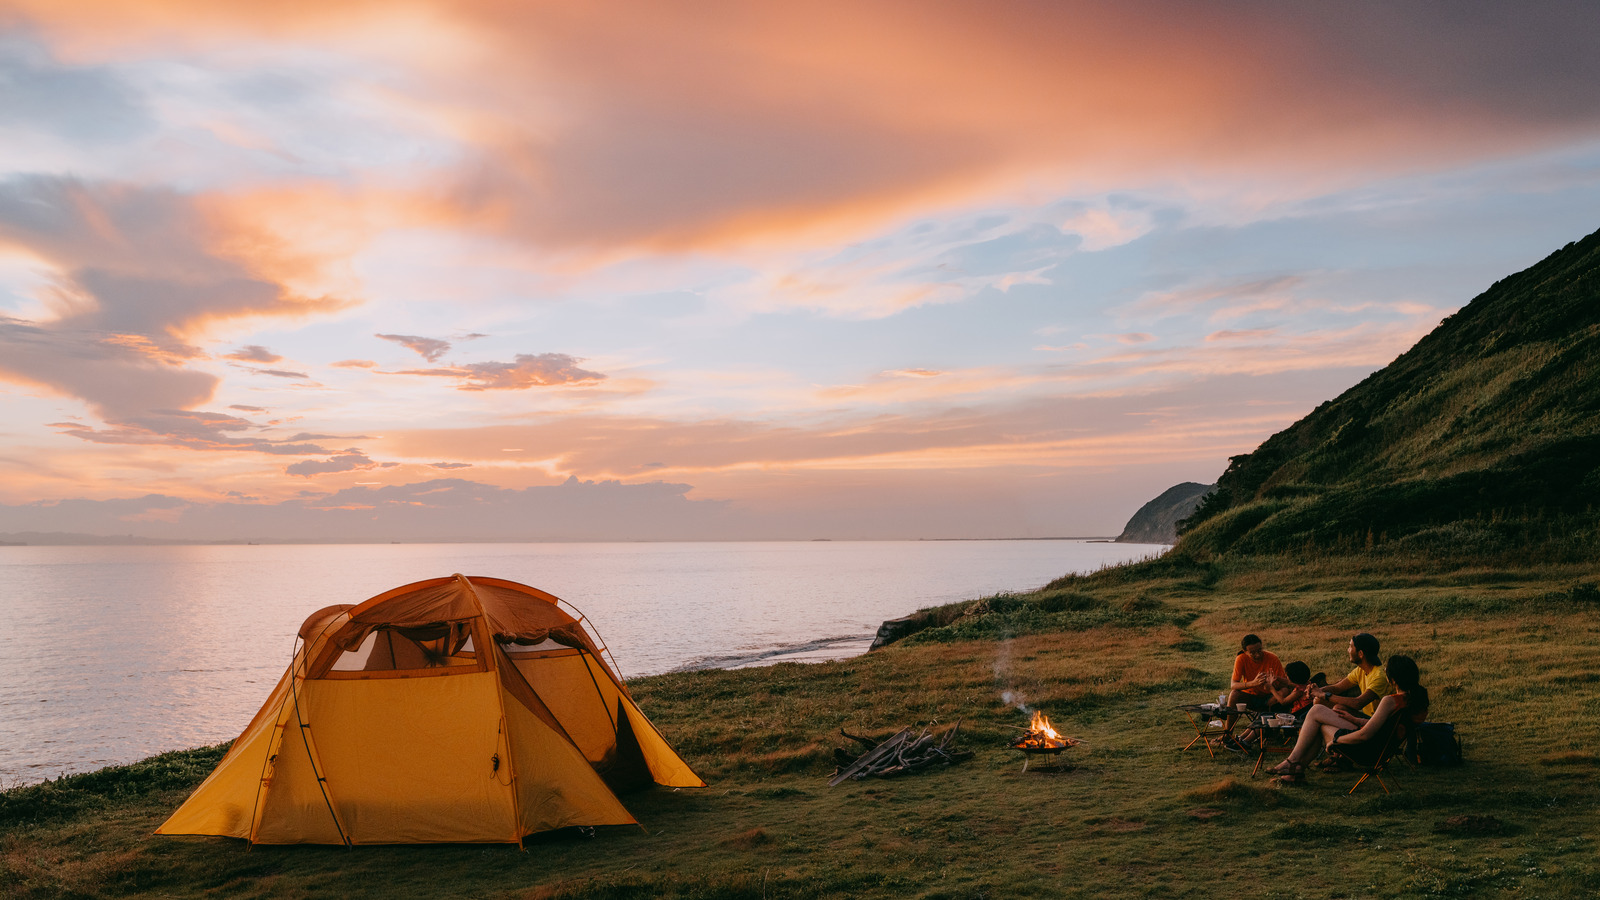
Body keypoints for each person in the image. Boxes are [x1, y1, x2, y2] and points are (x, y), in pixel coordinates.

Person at [1266, 654, 1427, 783]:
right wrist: (1354, 719)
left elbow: (1365, 735)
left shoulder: (1390, 701)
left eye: (1387, 670)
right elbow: (1384, 727)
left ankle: (1293, 763)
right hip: (1382, 749)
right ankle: (1295, 769)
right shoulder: (1416, 700)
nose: (1385, 670)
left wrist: (1335, 742)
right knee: (1320, 713)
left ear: (1393, 679)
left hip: (1367, 751)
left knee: (1317, 715)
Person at [1315, 632, 1389, 717]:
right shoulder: (1360, 670)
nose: (1348, 650)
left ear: (1360, 654)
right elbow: (1337, 688)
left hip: (1375, 721)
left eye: (1350, 646)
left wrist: (1324, 695)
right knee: (1319, 701)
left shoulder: (1379, 677)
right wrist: (1317, 691)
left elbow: (1358, 703)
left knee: (1338, 708)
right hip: (1367, 716)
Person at [1228, 633, 1288, 712]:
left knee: (1284, 691)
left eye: (1259, 650)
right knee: (1234, 694)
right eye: (1252, 653)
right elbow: (1233, 685)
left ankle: (1265, 716)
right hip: (1250, 695)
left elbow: (1284, 684)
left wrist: (1273, 681)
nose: (1257, 655)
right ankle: (1228, 724)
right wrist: (1253, 683)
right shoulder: (1241, 658)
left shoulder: (1272, 658)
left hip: (1269, 695)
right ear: (1245, 652)